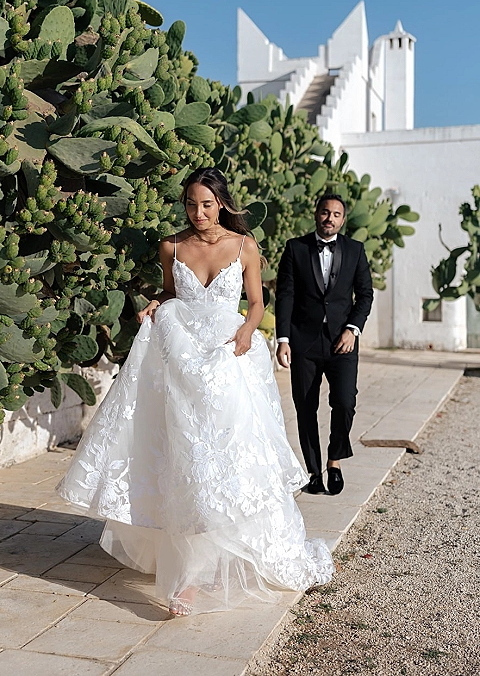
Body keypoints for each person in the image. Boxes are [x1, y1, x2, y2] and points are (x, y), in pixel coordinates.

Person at [57, 168, 334, 617]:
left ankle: (215, 556)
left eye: (206, 204)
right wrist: (155, 303)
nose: (198, 212)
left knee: (225, 454)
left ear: (221, 203)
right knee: (182, 454)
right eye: (191, 203)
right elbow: (171, 294)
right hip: (182, 358)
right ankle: (187, 574)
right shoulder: (171, 245)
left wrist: (248, 330)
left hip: (228, 358)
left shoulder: (245, 247)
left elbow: (257, 302)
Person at [275, 193, 373, 496]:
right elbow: (286, 295)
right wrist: (283, 339)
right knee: (305, 409)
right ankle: (314, 471)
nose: (330, 218)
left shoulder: (355, 251)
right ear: (316, 214)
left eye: (336, 214)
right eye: (325, 212)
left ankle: (335, 460)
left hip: (342, 342)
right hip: (304, 343)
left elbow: (365, 295)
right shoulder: (296, 248)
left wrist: (352, 330)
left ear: (343, 220)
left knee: (345, 402)